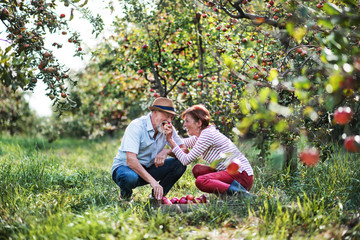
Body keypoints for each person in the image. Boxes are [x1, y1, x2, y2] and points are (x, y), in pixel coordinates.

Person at [164, 104, 254, 198]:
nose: (184, 124)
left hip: (241, 176)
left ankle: (242, 194)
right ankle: (227, 195)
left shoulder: (207, 135)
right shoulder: (202, 135)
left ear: (198, 123)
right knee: (197, 169)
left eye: (187, 121)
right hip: (232, 174)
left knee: (201, 181)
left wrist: (170, 140)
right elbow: (181, 143)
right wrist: (168, 134)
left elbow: (186, 160)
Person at [111, 97, 187, 201]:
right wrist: (154, 182)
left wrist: (167, 150)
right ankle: (125, 196)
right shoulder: (137, 126)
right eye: (166, 115)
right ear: (155, 112)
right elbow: (131, 160)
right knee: (129, 178)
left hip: (148, 167)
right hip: (126, 168)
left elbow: (185, 152)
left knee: (180, 164)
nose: (169, 121)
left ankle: (156, 199)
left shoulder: (168, 128)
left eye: (171, 117)